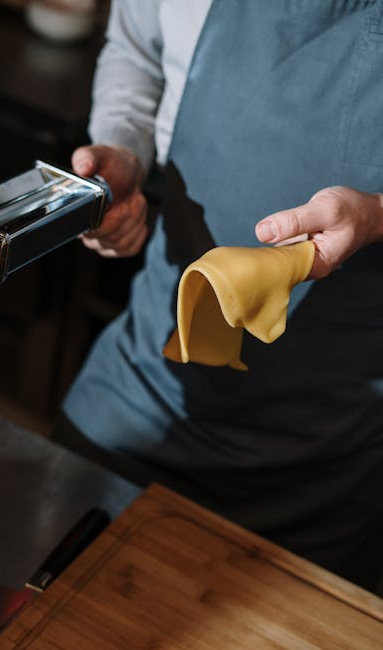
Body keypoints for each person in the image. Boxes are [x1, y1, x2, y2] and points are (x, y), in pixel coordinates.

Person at [55, 0, 383, 592]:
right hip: (140, 384)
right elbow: (136, 52)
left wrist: (380, 215)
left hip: (324, 462)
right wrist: (123, 149)